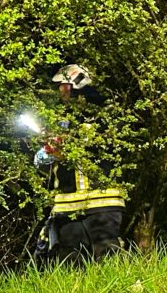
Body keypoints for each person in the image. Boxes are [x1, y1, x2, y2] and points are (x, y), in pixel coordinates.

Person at [33, 64, 126, 262]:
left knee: (107, 254)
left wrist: (64, 144)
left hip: (103, 204)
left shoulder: (103, 118)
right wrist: (46, 152)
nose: (61, 93)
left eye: (64, 87)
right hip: (67, 207)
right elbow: (43, 159)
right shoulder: (59, 122)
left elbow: (93, 143)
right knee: (70, 260)